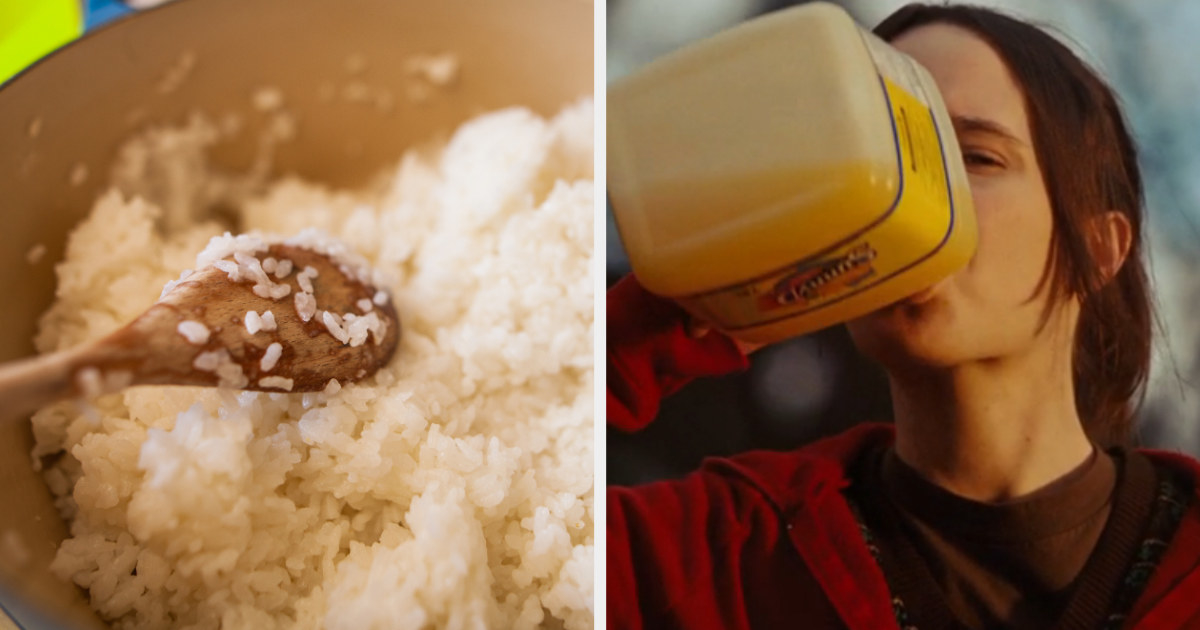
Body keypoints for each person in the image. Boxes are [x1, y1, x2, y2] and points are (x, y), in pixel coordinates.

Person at [607, 4, 1200, 629]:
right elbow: (500, 507)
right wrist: (683, 312)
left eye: (976, 157)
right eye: (885, 155)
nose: (912, 195)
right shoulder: (709, 557)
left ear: (1099, 250)